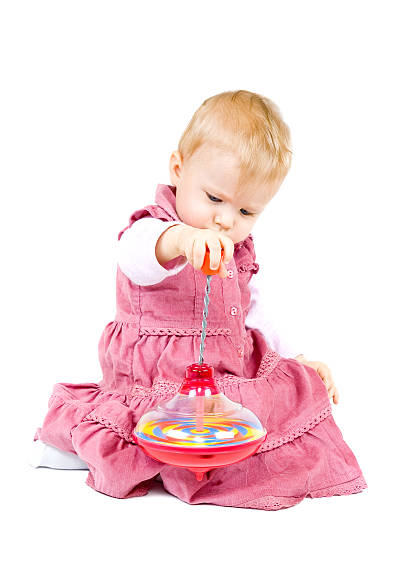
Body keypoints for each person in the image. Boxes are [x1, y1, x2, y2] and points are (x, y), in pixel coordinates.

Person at [31, 90, 366, 509]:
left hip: (223, 378)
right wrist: (181, 239)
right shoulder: (154, 228)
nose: (226, 220)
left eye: (246, 212)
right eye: (214, 199)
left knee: (277, 403)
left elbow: (256, 310)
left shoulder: (237, 250)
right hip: (157, 378)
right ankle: (76, 450)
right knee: (140, 433)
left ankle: (221, 460)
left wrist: (296, 356)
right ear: (178, 169)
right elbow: (136, 258)